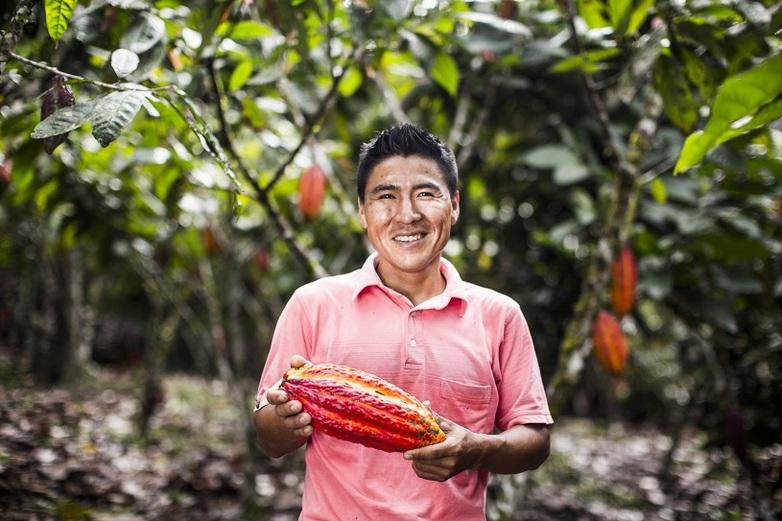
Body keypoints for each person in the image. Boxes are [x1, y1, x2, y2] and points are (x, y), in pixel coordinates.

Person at [252, 123, 553, 520]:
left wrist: (475, 449)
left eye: (426, 194)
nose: (406, 215)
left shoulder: (498, 314)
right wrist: (286, 419)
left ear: (455, 204)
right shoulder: (313, 303)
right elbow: (268, 438)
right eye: (386, 196)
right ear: (362, 210)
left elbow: (535, 439)